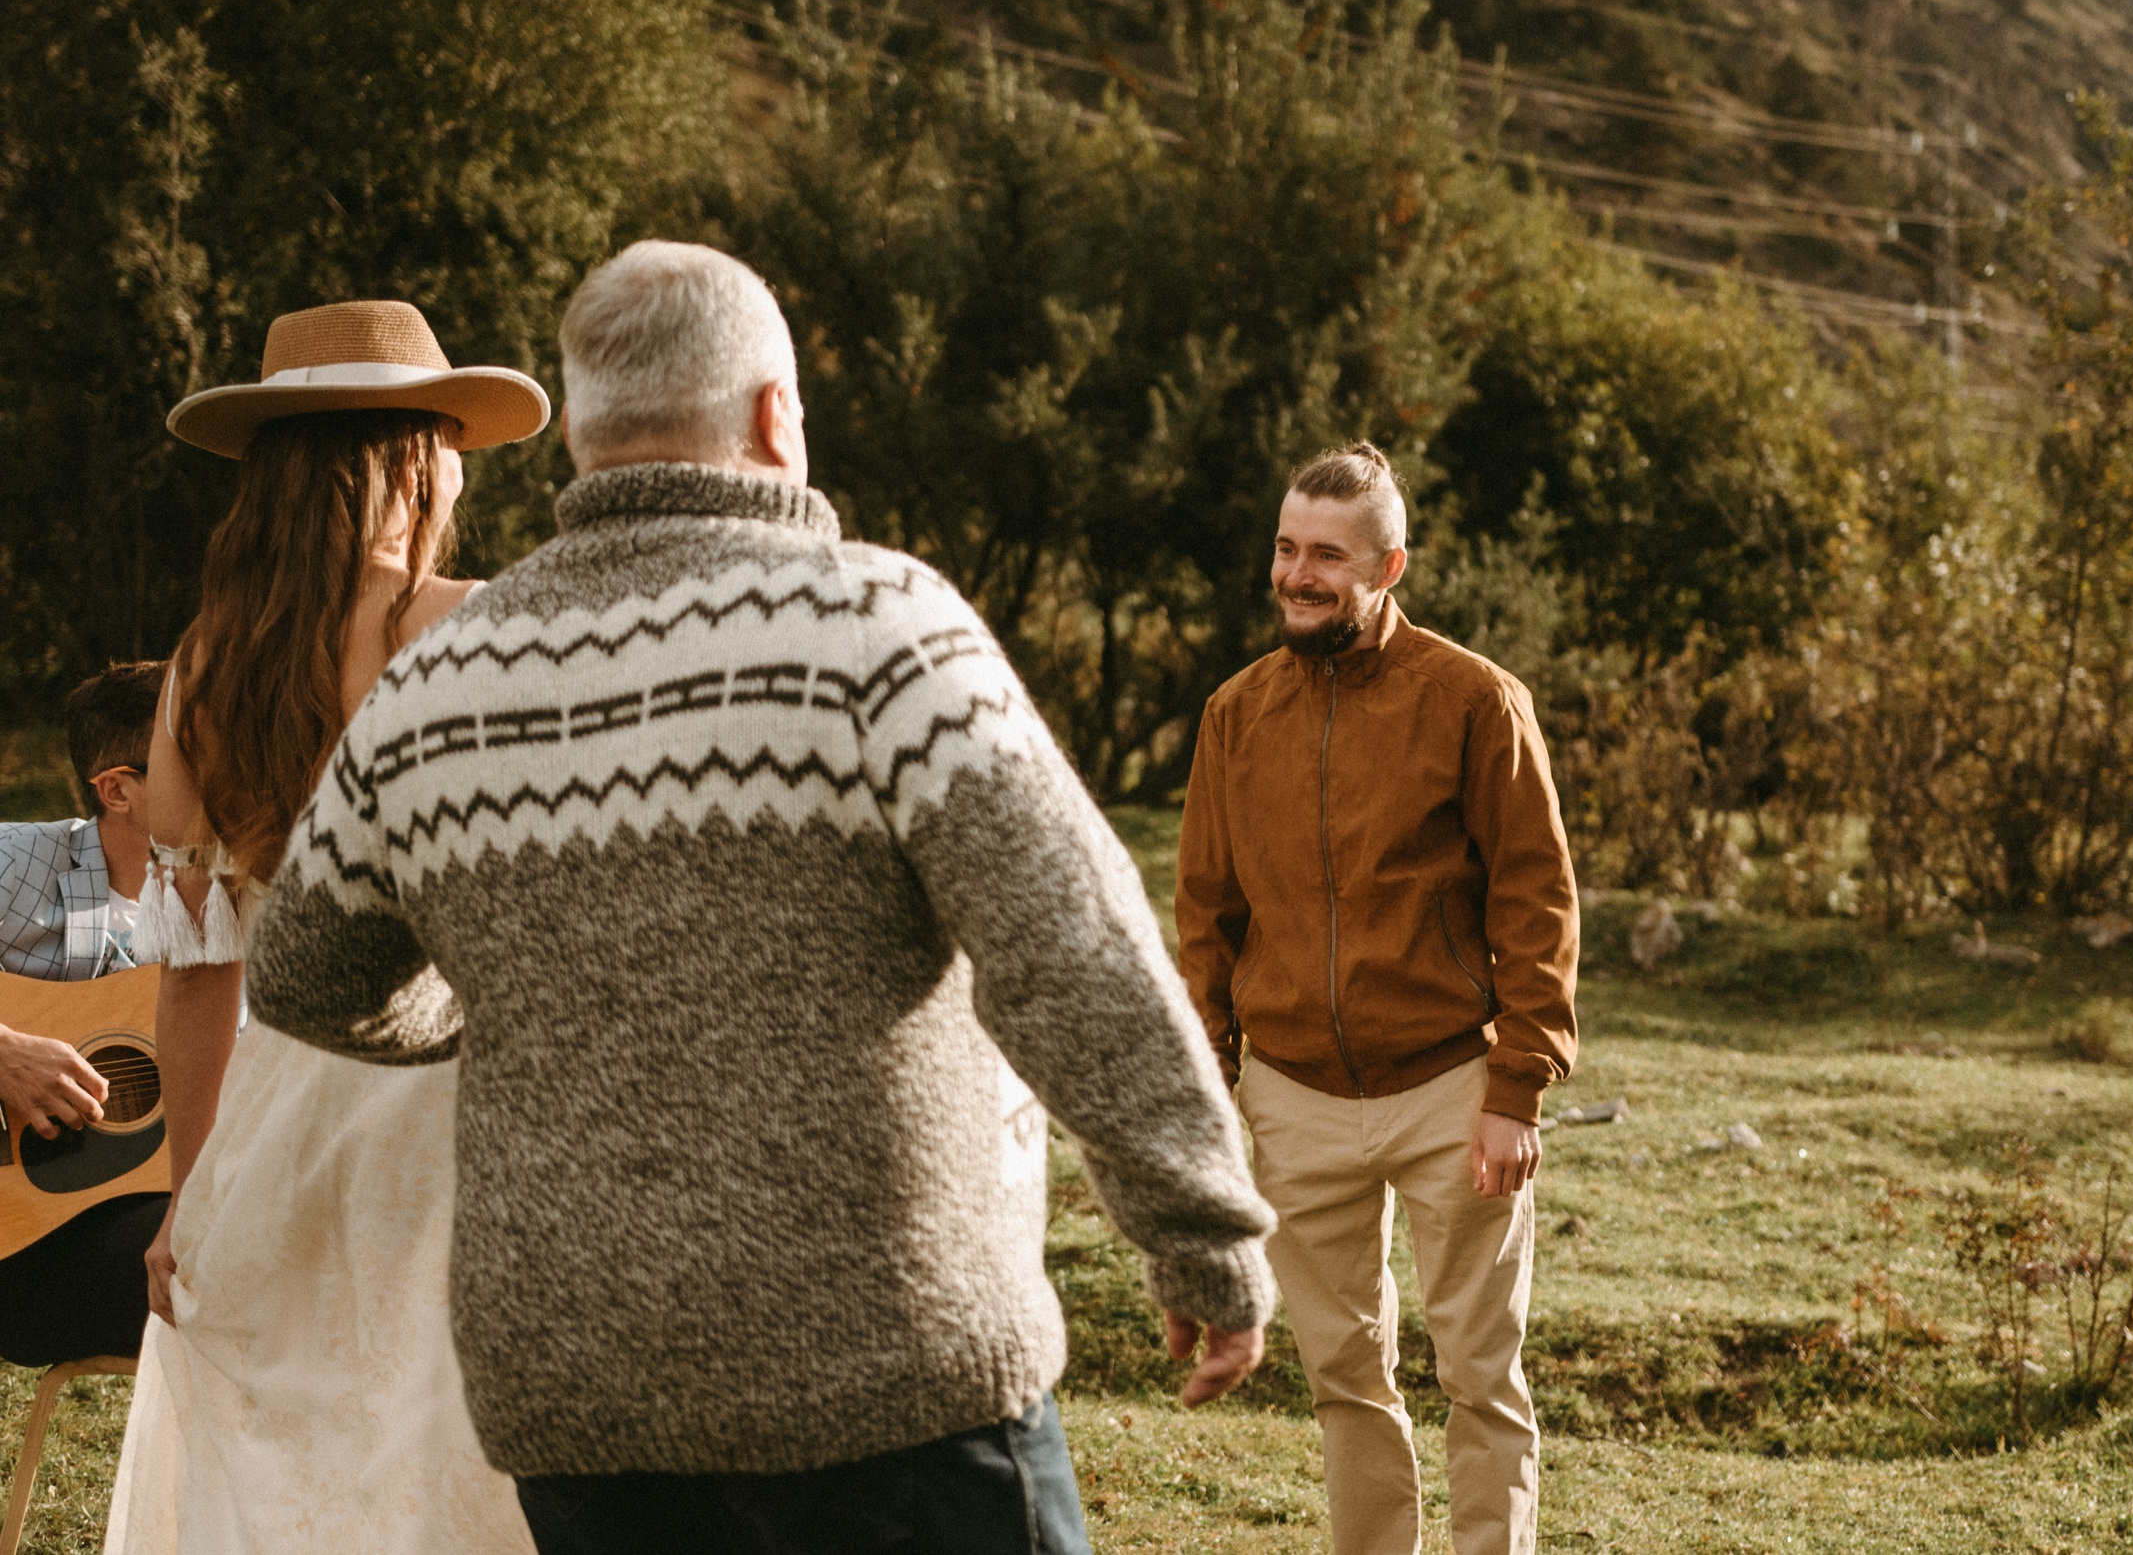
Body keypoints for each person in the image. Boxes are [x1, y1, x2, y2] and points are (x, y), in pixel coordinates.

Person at [242, 240, 1277, 1555]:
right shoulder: (882, 630)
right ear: (775, 416)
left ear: (587, 433)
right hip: (892, 1374)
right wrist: (1201, 1235)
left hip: (579, 1386)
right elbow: (1070, 948)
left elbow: (304, 974)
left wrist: (509, 995)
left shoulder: (439, 687)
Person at [104, 299, 553, 1554]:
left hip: (269, 1121)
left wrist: (189, 1198)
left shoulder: (204, 665)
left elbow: (198, 977)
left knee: (288, 1473)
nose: (460, 465)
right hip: (449, 1112)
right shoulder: (479, 626)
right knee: (448, 1463)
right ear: (408, 456)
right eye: (448, 436)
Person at [1176, 442, 1580, 1555]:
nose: (1299, 574)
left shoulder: (1475, 700)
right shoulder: (1233, 714)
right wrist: (1212, 1076)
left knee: (1479, 1373)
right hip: (1291, 1095)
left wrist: (1516, 1084)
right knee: (1344, 1376)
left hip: (1452, 1086)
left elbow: (1537, 897)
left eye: (1329, 556)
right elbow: (1205, 912)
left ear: (1389, 565)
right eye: (1286, 547)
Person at [0, 661, 170, 1368]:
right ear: (118, 789)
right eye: (201, 757)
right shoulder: (18, 862)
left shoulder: (236, 904)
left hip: (129, 1222)